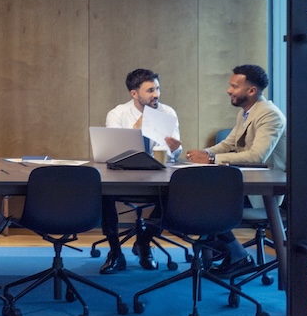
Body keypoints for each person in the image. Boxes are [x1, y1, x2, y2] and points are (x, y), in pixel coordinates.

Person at [186, 63, 287, 277]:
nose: (228, 90)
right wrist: (201, 154)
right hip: (247, 182)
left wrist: (211, 159)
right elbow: (228, 144)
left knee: (207, 203)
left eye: (234, 86)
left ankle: (235, 254)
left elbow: (257, 156)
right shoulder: (246, 113)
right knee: (199, 196)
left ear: (251, 91)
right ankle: (221, 248)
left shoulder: (269, 115)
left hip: (266, 190)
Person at [99, 68, 182, 274]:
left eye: (157, 89)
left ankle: (144, 242)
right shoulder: (117, 114)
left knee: (175, 194)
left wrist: (175, 148)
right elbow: (114, 152)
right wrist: (140, 126)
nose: (156, 94)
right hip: (121, 177)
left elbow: (174, 154)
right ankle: (115, 253)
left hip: (156, 176)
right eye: (150, 90)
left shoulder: (167, 113)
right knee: (102, 192)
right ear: (134, 94)